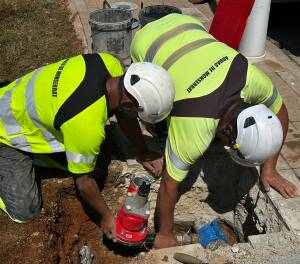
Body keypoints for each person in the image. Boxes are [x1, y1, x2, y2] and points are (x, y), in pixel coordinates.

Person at [130, 13, 298, 248]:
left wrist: (269, 170)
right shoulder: (193, 126)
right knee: (155, 108)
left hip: (187, 23)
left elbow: (280, 112)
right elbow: (169, 184)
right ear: (228, 131)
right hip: (146, 41)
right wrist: (165, 233)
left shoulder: (253, 79)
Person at [0, 52, 175, 242]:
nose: (137, 117)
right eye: (139, 112)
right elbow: (83, 183)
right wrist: (107, 217)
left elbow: (125, 114)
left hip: (14, 99)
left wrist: (142, 151)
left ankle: (39, 155)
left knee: (83, 157)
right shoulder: (86, 124)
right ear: (128, 101)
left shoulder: (109, 64)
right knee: (25, 211)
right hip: (6, 131)